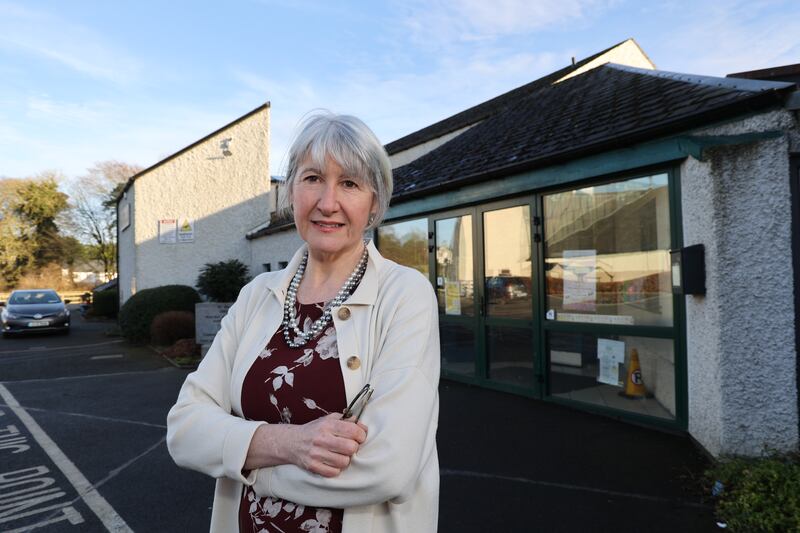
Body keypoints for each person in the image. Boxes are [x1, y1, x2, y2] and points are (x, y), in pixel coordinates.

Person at [167, 112, 440, 533]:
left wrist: (248, 465)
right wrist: (287, 444)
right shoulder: (256, 295)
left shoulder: (404, 295)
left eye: (349, 183)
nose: (327, 202)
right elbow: (185, 427)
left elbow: (388, 466)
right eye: (313, 178)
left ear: (373, 203)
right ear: (291, 191)